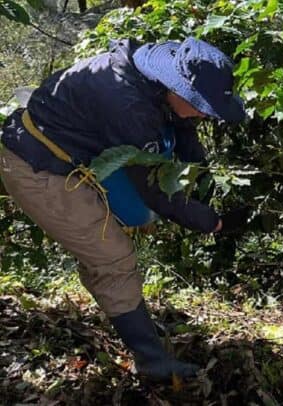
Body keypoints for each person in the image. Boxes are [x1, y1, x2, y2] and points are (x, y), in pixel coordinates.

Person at [0, 37, 249, 380]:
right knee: (113, 257)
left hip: (69, 147)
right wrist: (212, 222)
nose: (204, 113)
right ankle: (151, 360)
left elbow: (183, 127)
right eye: (199, 104)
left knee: (116, 240)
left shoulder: (148, 73)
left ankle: (126, 308)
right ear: (172, 86)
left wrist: (202, 176)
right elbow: (155, 191)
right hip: (37, 166)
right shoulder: (127, 104)